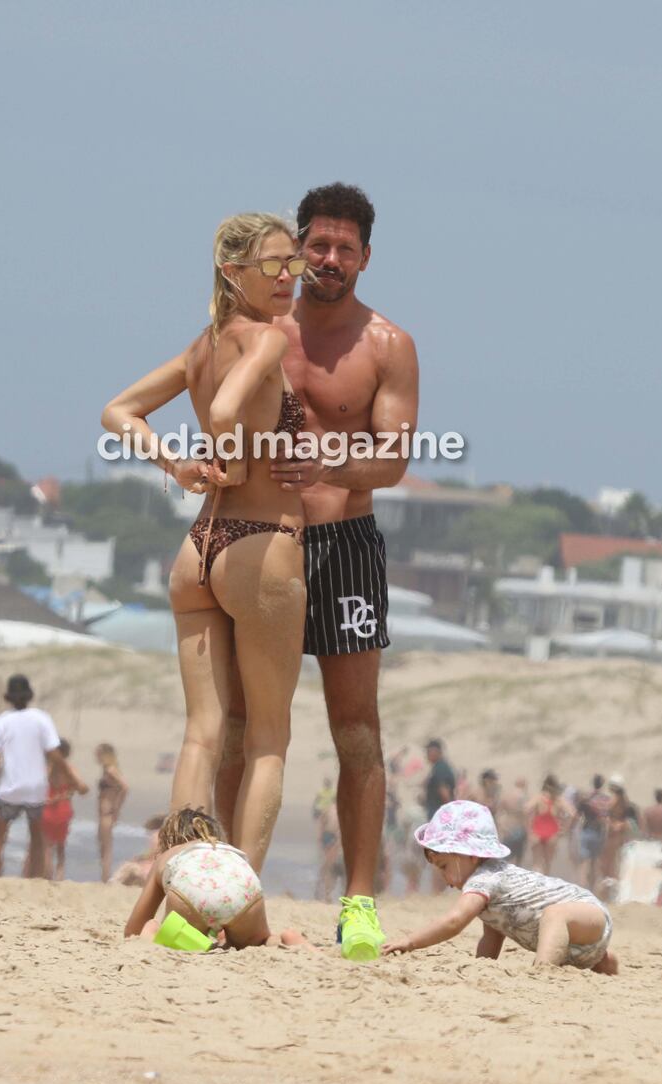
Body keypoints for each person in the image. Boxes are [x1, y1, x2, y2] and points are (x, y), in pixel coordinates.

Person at [206, 184, 421, 958]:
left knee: (356, 731)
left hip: (346, 548)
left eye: (345, 248)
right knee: (238, 728)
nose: (328, 261)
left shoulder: (387, 345)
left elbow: (394, 458)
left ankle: (358, 903)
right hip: (264, 541)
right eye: (317, 246)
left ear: (366, 256)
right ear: (296, 248)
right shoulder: (261, 328)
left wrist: (332, 455)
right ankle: (217, 891)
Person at [100, 213, 309, 890]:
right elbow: (224, 413)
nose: (286, 278)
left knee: (201, 733)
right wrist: (237, 463)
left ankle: (174, 881)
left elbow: (118, 411)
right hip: (260, 545)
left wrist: (177, 467)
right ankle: (235, 900)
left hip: (198, 548)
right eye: (272, 265)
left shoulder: (201, 345)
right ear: (232, 272)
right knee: (268, 740)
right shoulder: (268, 341)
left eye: (293, 264)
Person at [383, 801, 617, 974]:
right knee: (559, 928)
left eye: (444, 866)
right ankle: (604, 961)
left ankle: (544, 972)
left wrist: (411, 942)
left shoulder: (485, 879)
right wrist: (481, 969)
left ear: (471, 855)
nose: (445, 878)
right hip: (581, 943)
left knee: (555, 914)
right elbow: (492, 937)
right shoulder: (492, 893)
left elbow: (455, 921)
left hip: (586, 912)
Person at [124, 807, 310, 951]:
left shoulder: (171, 855)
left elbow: (133, 928)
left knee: (160, 930)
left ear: (171, 840)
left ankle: (158, 934)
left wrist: (146, 928)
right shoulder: (227, 851)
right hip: (244, 887)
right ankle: (286, 939)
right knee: (259, 942)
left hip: (192, 892)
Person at [0, 674, 73, 880]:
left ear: (8, 697)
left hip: (9, 787)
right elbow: (54, 754)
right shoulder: (42, 718)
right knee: (36, 838)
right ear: (29, 695)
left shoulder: (1, 722)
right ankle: (35, 879)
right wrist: (73, 778)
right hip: (35, 787)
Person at [37, 739, 90, 882]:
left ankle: (47, 878)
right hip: (63, 808)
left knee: (47, 847)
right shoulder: (69, 769)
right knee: (60, 848)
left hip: (47, 807)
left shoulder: (48, 768)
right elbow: (84, 789)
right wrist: (70, 789)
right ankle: (59, 878)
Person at [94, 743, 130, 882]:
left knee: (106, 847)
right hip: (104, 813)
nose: (96, 757)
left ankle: (105, 878)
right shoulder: (106, 770)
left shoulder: (110, 770)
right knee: (102, 846)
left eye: (98, 754)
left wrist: (116, 807)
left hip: (108, 812)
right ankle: (104, 876)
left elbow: (125, 787)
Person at [526, 775, 573, 876]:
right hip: (552, 832)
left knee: (536, 864)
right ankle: (545, 888)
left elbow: (526, 809)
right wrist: (564, 829)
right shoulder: (558, 800)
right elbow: (572, 814)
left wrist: (529, 828)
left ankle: (535, 887)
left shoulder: (539, 798)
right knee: (547, 864)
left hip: (537, 830)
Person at [573, 775, 612, 891]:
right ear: (602, 784)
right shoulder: (605, 800)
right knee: (595, 863)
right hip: (599, 832)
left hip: (586, 831)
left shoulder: (586, 798)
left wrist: (570, 828)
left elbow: (576, 815)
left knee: (584, 863)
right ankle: (593, 890)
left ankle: (582, 890)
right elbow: (607, 818)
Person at [421, 739, 456, 818]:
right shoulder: (439, 767)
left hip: (440, 815)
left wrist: (450, 814)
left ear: (436, 751)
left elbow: (444, 792)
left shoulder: (440, 768)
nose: (427, 754)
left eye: (429, 751)